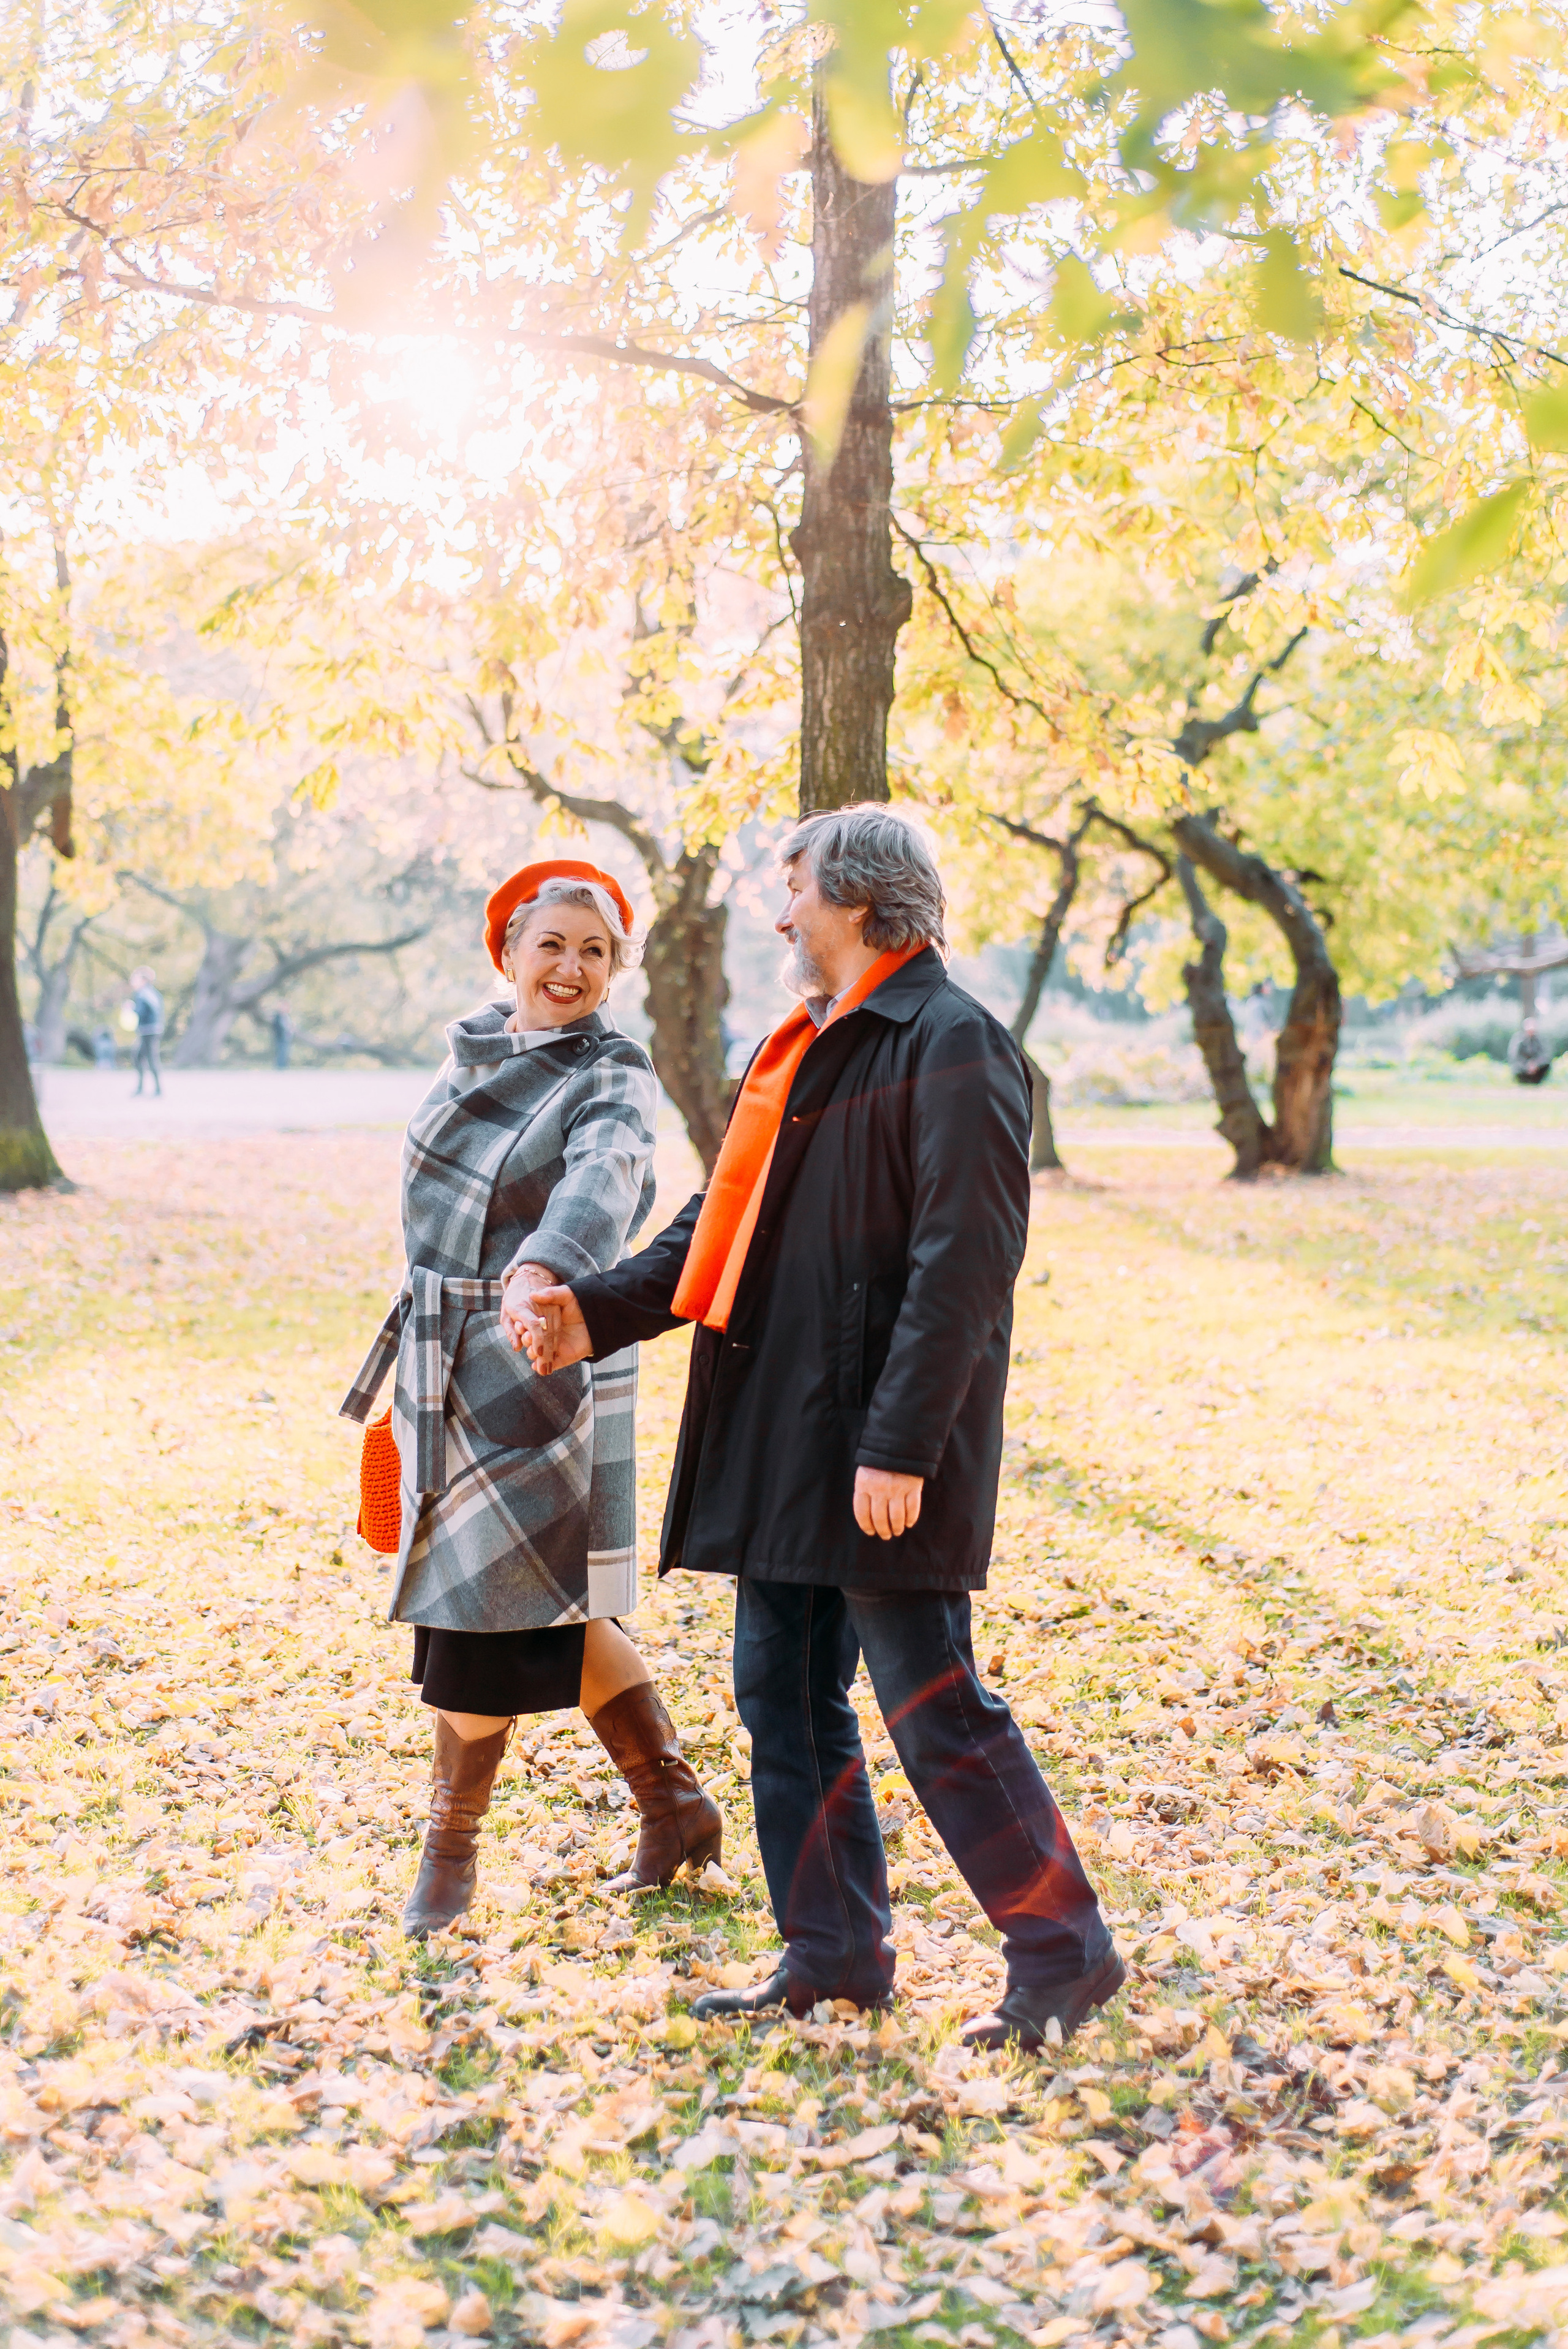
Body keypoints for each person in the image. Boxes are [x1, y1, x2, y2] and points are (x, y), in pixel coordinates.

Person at [516, 808, 1121, 2051]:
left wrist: (900, 1447)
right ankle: (832, 1954)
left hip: (883, 1454)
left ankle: (1063, 1955)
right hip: (782, 1438)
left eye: (790, 889)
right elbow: (715, 1233)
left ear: (852, 898)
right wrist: (592, 1314)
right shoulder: (800, 1047)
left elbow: (965, 1267)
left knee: (933, 1703)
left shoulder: (953, 1043)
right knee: (779, 1696)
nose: (777, 912)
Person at [341, 859, 722, 1938]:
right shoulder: (470, 1051)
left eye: (595, 952)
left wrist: (542, 1267)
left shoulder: (613, 1068)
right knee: (554, 1597)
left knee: (483, 1607)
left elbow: (606, 1174)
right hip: (448, 1352)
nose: (572, 967)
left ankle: (448, 1855)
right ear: (508, 948)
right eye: (551, 943)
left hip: (541, 1348)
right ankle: (675, 1803)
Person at [129, 967, 164, 1098]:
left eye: (135, 978)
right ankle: (146, 1088)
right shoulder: (151, 993)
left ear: (143, 980)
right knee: (142, 1057)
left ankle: (155, 1089)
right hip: (152, 1030)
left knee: (148, 1058)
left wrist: (131, 1008)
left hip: (148, 1031)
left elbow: (142, 1012)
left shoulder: (143, 994)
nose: (132, 981)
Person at [1509, 1016, 1551, 1086]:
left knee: (1547, 1065)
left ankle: (1537, 1081)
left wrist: (1536, 1064)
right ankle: (1523, 1081)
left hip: (1537, 1067)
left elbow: (1545, 1055)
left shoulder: (1540, 1040)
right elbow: (1514, 1056)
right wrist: (1526, 1065)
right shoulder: (1518, 1039)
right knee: (1516, 1066)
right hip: (1523, 1067)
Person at [271, 1002, 295, 1070]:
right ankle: (279, 1068)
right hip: (280, 1038)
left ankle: (283, 1068)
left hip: (287, 1038)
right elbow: (277, 1027)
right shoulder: (277, 1017)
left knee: (285, 1053)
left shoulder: (287, 1016)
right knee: (281, 1053)